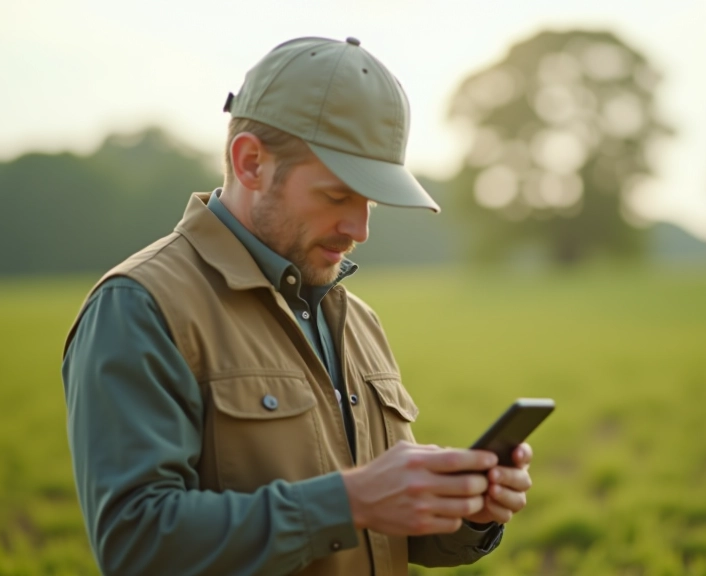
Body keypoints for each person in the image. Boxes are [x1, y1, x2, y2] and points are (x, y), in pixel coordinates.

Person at [61, 36, 535, 575]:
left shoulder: (355, 318)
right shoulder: (141, 307)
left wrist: (466, 511)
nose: (360, 228)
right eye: (337, 196)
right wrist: (350, 500)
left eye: (371, 201)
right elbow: (136, 546)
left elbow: (383, 535)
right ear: (250, 163)